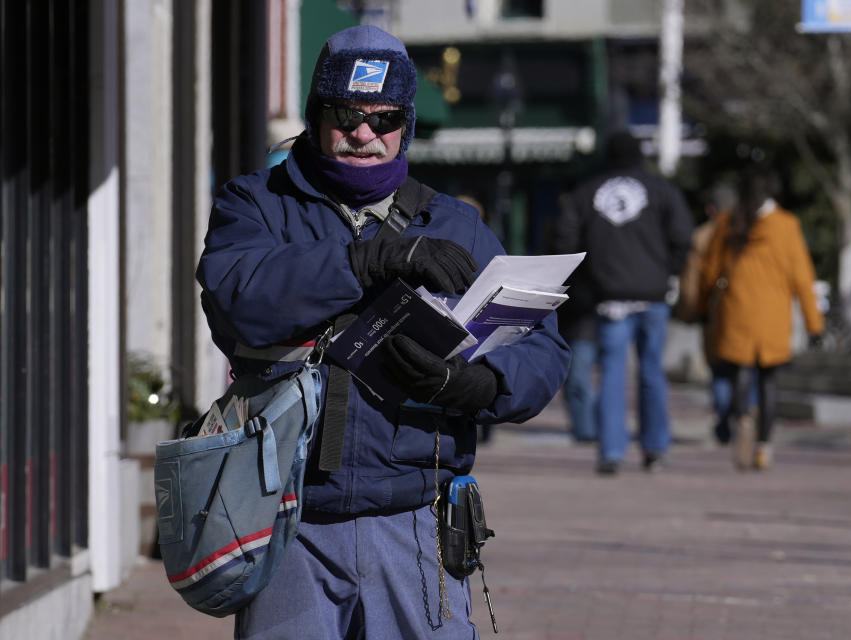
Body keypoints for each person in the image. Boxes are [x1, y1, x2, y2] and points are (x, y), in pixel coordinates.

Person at [196, 25, 570, 639]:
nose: (365, 133)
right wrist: (364, 262)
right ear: (317, 115)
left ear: (407, 123)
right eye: (346, 114)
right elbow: (237, 297)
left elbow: (545, 348)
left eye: (385, 116)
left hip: (417, 520)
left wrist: (477, 384)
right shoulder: (255, 203)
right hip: (287, 521)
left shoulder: (454, 223)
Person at [555, 133, 694, 474]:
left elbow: (565, 242)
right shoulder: (662, 190)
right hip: (653, 293)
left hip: (609, 296)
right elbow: (682, 237)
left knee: (613, 374)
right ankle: (656, 448)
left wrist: (587, 285)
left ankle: (611, 451)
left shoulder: (586, 192)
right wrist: (666, 271)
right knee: (651, 373)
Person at [698, 167, 823, 471]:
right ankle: (763, 447)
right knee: (768, 381)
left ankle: (742, 417)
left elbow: (710, 271)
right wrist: (814, 323)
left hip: (736, 310)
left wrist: (702, 306)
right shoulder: (786, 225)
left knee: (739, 373)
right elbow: (802, 278)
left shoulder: (729, 222)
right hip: (773, 315)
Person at [675, 182, 752, 445]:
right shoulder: (750, 231)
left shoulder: (703, 236)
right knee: (745, 368)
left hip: (715, 312)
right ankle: (746, 417)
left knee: (719, 371)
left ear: (711, 209)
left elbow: (691, 281)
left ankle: (724, 425)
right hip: (749, 313)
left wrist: (690, 311)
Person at [554, 192, 598, 443]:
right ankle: (585, 429)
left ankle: (588, 430)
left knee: (580, 375)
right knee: (576, 377)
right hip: (572, 316)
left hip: (586, 315)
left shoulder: (595, 244)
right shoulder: (559, 247)